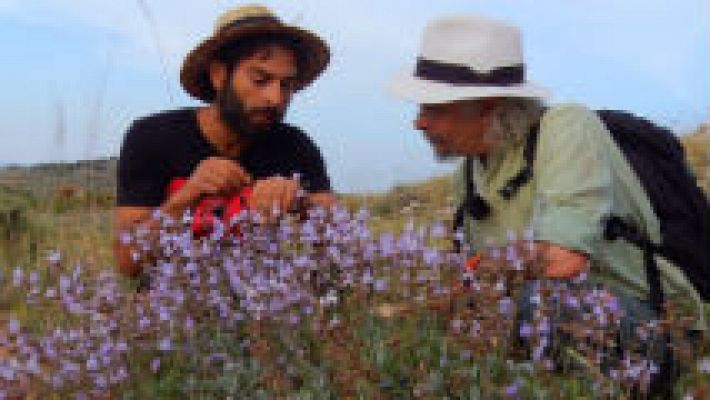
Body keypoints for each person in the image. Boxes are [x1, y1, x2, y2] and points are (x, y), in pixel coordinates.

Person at [389, 14, 705, 340]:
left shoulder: (567, 127)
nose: (420, 123)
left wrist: (478, 271)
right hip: (548, 327)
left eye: (434, 108)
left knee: (543, 303)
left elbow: (563, 261)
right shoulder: (468, 174)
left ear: (486, 105)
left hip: (656, 320)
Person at [115, 4, 334, 277]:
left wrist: (300, 203)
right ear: (219, 75)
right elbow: (128, 263)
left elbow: (341, 245)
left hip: (265, 307)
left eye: (286, 85)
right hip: (175, 307)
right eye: (260, 79)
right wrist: (188, 196)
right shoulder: (152, 138)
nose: (275, 99)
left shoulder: (296, 147)